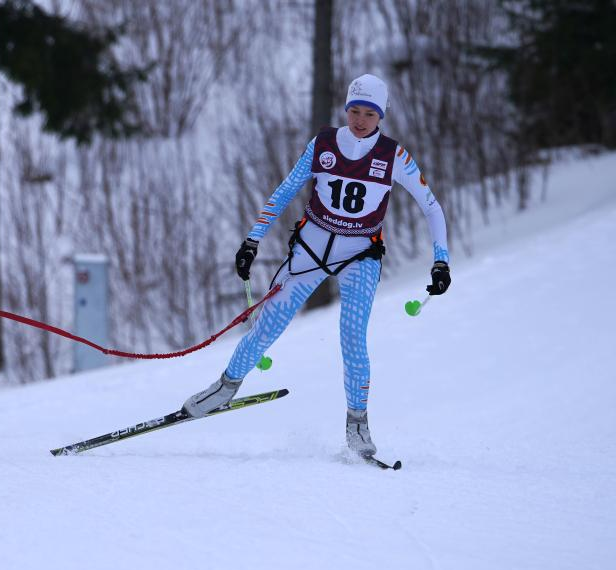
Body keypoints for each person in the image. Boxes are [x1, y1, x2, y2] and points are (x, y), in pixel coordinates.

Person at [182, 74, 451, 458]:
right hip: (311, 248)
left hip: (360, 256)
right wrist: (252, 239)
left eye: (369, 113)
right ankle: (224, 388)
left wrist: (441, 261)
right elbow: (287, 188)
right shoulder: (324, 143)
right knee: (268, 324)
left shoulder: (394, 156)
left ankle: (357, 424)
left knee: (353, 338)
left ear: (382, 115)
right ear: (345, 109)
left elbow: (431, 207)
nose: (360, 119)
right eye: (354, 110)